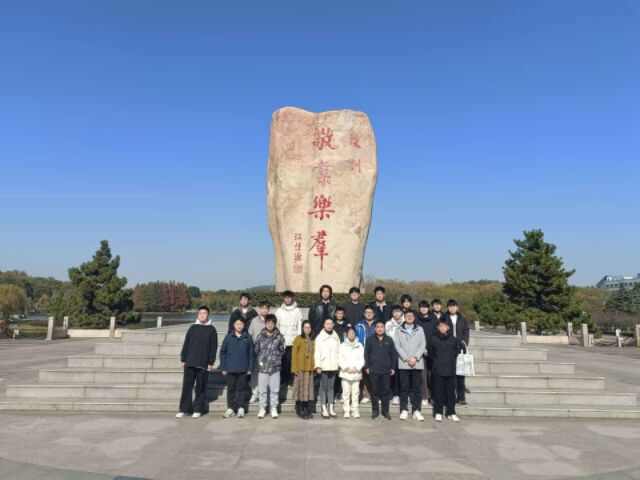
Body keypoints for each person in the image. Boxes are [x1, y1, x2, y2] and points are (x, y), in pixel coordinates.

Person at [177, 306, 218, 418]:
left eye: (204, 313)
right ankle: (184, 409)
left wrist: (210, 362)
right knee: (187, 387)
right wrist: (183, 359)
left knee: (201, 387)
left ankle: (198, 409)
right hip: (190, 362)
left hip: (203, 363)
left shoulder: (211, 329)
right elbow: (186, 344)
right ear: (198, 315)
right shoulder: (192, 328)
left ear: (208, 315)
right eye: (200, 313)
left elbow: (213, 348)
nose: (202, 315)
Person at [394, 310, 426, 421]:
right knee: (404, 387)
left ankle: (416, 410)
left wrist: (415, 357)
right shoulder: (398, 330)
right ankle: (404, 409)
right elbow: (397, 346)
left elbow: (423, 344)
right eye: (407, 315)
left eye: (411, 315)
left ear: (414, 317)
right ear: (404, 317)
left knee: (417, 388)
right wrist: (407, 358)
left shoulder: (420, 329)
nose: (409, 317)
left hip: (417, 362)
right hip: (404, 363)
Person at [220, 318, 255, 418]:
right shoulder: (228, 337)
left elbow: (251, 354)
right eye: (237, 324)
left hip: (243, 369)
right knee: (231, 389)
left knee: (242, 389)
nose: (239, 326)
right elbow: (222, 353)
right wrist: (223, 367)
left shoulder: (248, 337)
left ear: (244, 325)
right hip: (230, 369)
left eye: (241, 324)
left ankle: (241, 408)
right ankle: (231, 408)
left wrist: (250, 368)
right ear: (233, 325)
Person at [429, 320, 462, 422]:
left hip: (450, 369)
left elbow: (457, 351)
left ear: (448, 328)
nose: (443, 328)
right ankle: (438, 412)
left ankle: (451, 412)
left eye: (445, 326)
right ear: (438, 327)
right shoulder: (433, 339)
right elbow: (431, 354)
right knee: (438, 392)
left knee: (451, 393)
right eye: (441, 326)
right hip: (438, 369)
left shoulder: (453, 339)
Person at [254, 314, 286, 419]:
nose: (270, 325)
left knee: (274, 389)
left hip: (275, 367)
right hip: (263, 368)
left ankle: (273, 408)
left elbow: (283, 350)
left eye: (272, 323)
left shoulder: (279, 336)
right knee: (262, 390)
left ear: (275, 324)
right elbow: (256, 350)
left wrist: (275, 358)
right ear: (265, 323)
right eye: (268, 322)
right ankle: (262, 408)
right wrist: (261, 359)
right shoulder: (260, 336)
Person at [364, 320, 397, 420]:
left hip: (386, 370)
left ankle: (385, 411)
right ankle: (375, 411)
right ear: (375, 328)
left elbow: (393, 355)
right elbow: (366, 354)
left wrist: (393, 367)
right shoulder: (370, 340)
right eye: (378, 327)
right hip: (373, 370)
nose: (379, 329)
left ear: (384, 328)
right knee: (374, 392)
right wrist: (367, 367)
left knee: (385, 392)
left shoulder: (389, 340)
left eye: (381, 327)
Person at [443, 299, 470, 406]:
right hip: (448, 349)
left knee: (461, 374)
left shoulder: (462, 318)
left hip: (460, 349)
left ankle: (461, 397)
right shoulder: (444, 317)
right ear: (447, 307)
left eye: (454, 306)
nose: (452, 308)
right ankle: (452, 396)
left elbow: (466, 331)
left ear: (457, 307)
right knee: (451, 374)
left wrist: (464, 342)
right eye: (450, 306)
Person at [275, 290, 303, 387]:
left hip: (293, 341)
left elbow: (299, 326)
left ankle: (292, 380)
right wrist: (278, 339)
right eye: (286, 297)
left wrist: (298, 340)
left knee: (292, 361)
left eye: (289, 297)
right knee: (283, 362)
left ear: (292, 298)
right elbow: (276, 326)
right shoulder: (279, 311)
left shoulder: (297, 311)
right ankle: (283, 380)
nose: (287, 299)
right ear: (283, 299)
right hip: (282, 341)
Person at [314, 318, 341, 418]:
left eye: (330, 324)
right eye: (327, 324)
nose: (329, 326)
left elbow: (339, 351)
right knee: (323, 388)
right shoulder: (320, 337)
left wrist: (338, 364)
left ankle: (331, 407)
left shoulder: (335, 336)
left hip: (333, 366)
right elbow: (317, 352)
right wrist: (318, 365)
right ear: (324, 325)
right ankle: (323, 408)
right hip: (323, 366)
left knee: (331, 387)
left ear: (333, 325)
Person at [338, 326, 364, 418]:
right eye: (349, 333)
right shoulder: (342, 345)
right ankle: (346, 410)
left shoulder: (359, 345)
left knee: (355, 393)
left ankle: (355, 410)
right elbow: (340, 358)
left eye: (353, 333)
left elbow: (362, 359)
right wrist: (346, 368)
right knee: (346, 393)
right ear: (346, 334)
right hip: (346, 373)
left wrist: (356, 368)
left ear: (355, 334)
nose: (351, 334)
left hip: (356, 373)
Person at [247, 300, 270, 404]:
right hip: (256, 352)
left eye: (266, 308)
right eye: (262, 308)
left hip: (268, 353)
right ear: (260, 309)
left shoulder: (271, 320)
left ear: (268, 310)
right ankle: (254, 394)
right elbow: (250, 335)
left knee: (266, 374)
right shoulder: (254, 321)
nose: (264, 310)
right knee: (255, 374)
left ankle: (263, 394)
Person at [292, 321, 315, 419]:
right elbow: (294, 354)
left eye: (309, 327)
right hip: (300, 368)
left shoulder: (313, 340)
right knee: (300, 388)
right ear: (302, 328)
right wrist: (294, 368)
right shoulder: (298, 339)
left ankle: (306, 407)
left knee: (307, 389)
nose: (307, 329)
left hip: (309, 369)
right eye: (306, 327)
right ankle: (299, 407)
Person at [355, 305, 377, 403]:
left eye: (370, 312)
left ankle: (375, 395)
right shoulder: (359, 325)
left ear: (374, 314)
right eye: (367, 312)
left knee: (375, 375)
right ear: (364, 314)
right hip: (362, 352)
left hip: (375, 352)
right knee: (364, 375)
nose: (368, 314)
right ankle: (366, 395)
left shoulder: (378, 324)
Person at [415, 300, 435, 406]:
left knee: (431, 374)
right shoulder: (416, 318)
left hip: (431, 351)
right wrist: (422, 349)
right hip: (419, 351)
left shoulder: (433, 319)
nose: (423, 309)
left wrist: (429, 348)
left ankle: (432, 395)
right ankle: (424, 396)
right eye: (422, 307)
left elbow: (435, 335)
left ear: (428, 308)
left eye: (425, 307)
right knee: (422, 375)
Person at [385, 305, 404, 406]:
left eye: (398, 311)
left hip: (404, 352)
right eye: (394, 312)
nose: (396, 313)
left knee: (402, 374)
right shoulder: (388, 324)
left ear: (401, 312)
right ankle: (392, 394)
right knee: (392, 373)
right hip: (391, 352)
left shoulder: (406, 322)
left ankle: (400, 394)